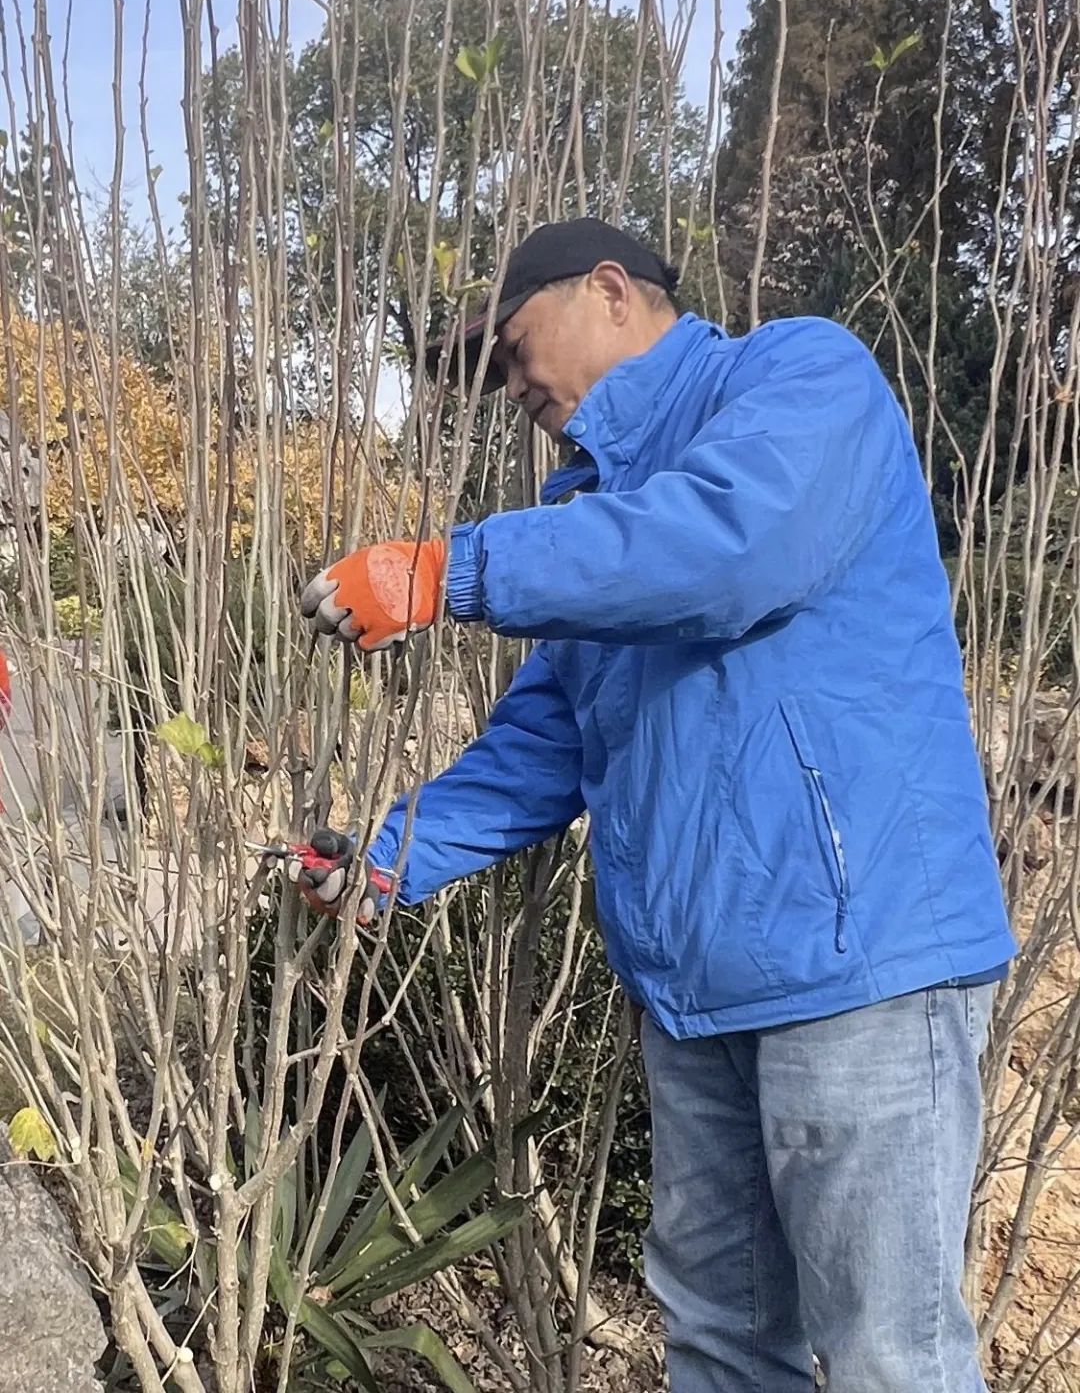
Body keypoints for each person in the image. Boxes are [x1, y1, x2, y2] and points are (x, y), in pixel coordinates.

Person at [298, 218, 1016, 1392]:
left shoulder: (801, 374)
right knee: (723, 1346)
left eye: (518, 345)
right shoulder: (593, 513)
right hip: (694, 998)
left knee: (891, 1357)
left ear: (614, 292)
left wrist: (450, 569)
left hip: (862, 970)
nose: (513, 384)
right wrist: (384, 860)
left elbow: (728, 548)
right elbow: (545, 743)